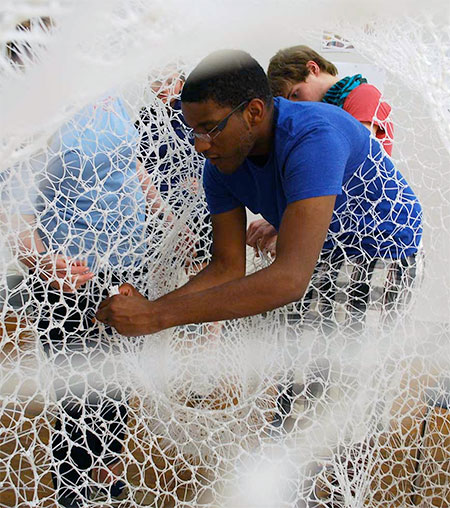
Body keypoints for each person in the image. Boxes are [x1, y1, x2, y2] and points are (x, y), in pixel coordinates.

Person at [96, 49, 422, 341]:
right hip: (319, 251)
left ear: (254, 111)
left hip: (379, 251)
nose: (199, 144)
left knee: (334, 384)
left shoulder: (314, 137)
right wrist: (152, 308)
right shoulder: (221, 163)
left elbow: (289, 280)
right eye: (194, 131)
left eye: (210, 128)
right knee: (293, 376)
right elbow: (227, 267)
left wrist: (157, 315)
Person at [248, 45, 395, 258]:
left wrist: (291, 228)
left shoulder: (362, 95)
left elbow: (352, 170)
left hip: (374, 233)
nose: (297, 106)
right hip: (340, 230)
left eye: (296, 94)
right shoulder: (317, 119)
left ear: (313, 68)